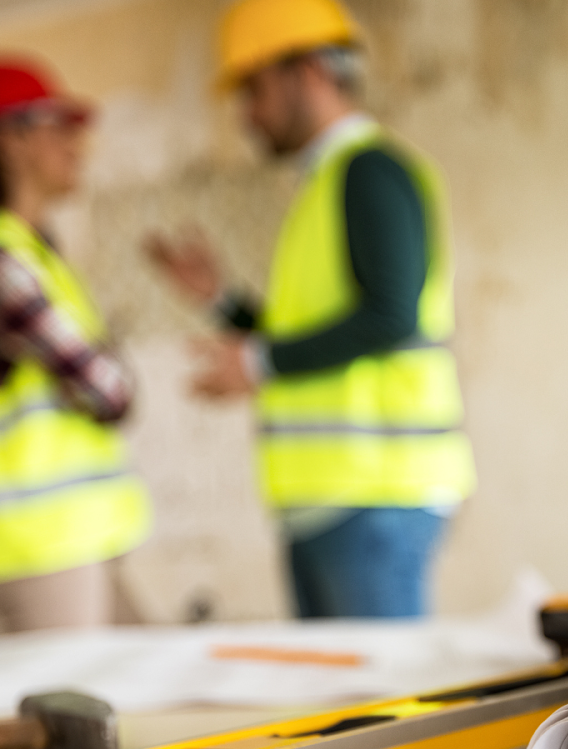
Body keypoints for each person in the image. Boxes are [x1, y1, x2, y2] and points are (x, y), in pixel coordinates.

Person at [145, 0, 475, 619]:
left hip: (376, 493)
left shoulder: (370, 173)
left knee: (384, 709)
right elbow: (316, 332)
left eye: (255, 88)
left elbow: (390, 316)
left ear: (312, 71)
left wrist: (258, 362)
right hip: (334, 496)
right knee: (347, 711)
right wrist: (224, 303)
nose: (247, 113)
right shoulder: (325, 183)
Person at [0, 57, 152, 631]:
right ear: (9, 138)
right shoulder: (3, 261)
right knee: (88, 710)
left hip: (66, 540)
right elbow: (109, 392)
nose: (78, 143)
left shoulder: (31, 252)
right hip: (38, 546)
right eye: (57, 125)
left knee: (157, 684)